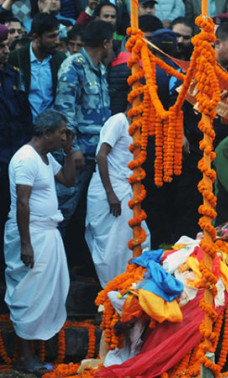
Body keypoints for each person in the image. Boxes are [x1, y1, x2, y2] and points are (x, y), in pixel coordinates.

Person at [4, 109, 79, 375]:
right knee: (28, 295)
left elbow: (69, 181)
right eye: (61, 132)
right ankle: (24, 357)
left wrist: (69, 150)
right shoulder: (25, 158)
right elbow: (22, 202)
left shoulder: (45, 157)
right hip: (31, 234)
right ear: (46, 133)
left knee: (41, 295)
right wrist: (26, 244)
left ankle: (31, 354)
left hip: (46, 233)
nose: (64, 136)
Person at [54, 19, 113, 244]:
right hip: (77, 155)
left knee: (84, 213)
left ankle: (74, 268)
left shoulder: (100, 69)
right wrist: (73, 149)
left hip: (96, 154)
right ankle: (54, 270)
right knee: (64, 211)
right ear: (106, 43)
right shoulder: (74, 65)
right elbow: (64, 111)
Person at [85, 111, 151, 288]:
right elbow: (101, 155)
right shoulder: (119, 120)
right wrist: (110, 193)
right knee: (113, 249)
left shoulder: (137, 126)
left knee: (138, 240)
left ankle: (129, 291)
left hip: (123, 188)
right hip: (110, 190)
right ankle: (114, 293)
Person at [0, 23, 32, 255]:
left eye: (5, 46)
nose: (5, 51)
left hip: (14, 159)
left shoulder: (13, 75)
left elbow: (24, 116)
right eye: (0, 47)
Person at [8, 13, 66, 120]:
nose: (57, 41)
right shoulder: (16, 58)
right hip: (24, 126)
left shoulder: (60, 59)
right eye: (51, 36)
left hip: (52, 127)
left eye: (57, 35)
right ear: (36, 37)